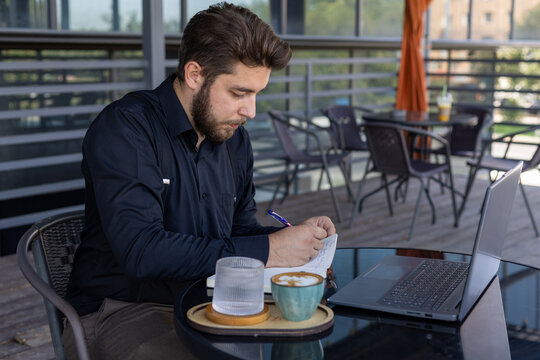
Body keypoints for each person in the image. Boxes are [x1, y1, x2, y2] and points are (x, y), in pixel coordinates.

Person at [62, 3, 335, 359]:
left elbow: (237, 231)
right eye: (239, 93)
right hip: (122, 309)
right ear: (194, 75)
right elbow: (142, 252)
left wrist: (292, 240)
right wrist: (271, 250)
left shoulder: (235, 140)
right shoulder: (126, 129)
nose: (251, 111)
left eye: (256, 94)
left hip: (213, 301)